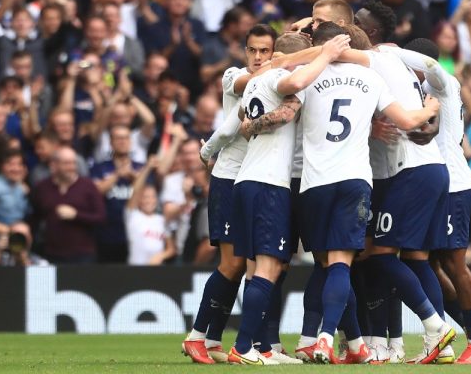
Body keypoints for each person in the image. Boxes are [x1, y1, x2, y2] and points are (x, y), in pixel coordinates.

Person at [292, 23, 446, 365]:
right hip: (357, 181)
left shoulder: (306, 75)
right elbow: (407, 121)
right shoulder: (373, 79)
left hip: (314, 182)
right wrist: (432, 110)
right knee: (342, 265)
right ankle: (327, 340)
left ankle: (343, 341)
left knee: (326, 263)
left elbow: (287, 104)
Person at [385, 38, 471, 364]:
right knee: (425, 262)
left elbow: (433, 66)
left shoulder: (442, 81)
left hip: (454, 186)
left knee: (453, 263)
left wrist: (388, 52)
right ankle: (459, 333)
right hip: (437, 185)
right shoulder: (424, 89)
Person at [226, 33, 329, 366]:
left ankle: (261, 347)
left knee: (260, 268)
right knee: (268, 270)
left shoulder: (255, 84)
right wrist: (325, 54)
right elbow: (292, 92)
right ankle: (243, 348)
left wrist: (255, 123)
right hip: (268, 184)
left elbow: (243, 117)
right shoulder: (280, 79)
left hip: (246, 181)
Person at [183, 24, 277, 365]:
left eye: (265, 51)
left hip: (249, 180)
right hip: (227, 178)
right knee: (232, 263)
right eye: (252, 50)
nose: (257, 57)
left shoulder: (272, 82)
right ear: (244, 51)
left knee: (243, 267)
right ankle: (196, 336)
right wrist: (207, 153)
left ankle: (210, 340)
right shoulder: (233, 77)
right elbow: (229, 127)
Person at [30, 147, 106, 264]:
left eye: (73, 163)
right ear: (54, 165)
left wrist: (76, 215)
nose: (71, 167)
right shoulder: (42, 187)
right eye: (66, 163)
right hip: (51, 254)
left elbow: (101, 217)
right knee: (51, 283)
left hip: (83, 255)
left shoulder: (87, 186)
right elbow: (35, 217)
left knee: (81, 283)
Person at [90, 125, 144, 263]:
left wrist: (134, 177)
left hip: (136, 234)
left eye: (125, 138)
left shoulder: (141, 167)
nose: (122, 141)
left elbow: (148, 194)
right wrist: (117, 174)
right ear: (111, 142)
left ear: (131, 141)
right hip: (106, 234)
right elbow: (96, 192)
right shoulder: (99, 167)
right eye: (118, 138)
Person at [124, 156, 176, 266]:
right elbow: (135, 190)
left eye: (152, 197)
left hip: (156, 271)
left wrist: (161, 255)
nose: (149, 200)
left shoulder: (162, 220)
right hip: (135, 269)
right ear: (139, 200)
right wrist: (147, 168)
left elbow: (171, 249)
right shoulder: (132, 215)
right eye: (145, 197)